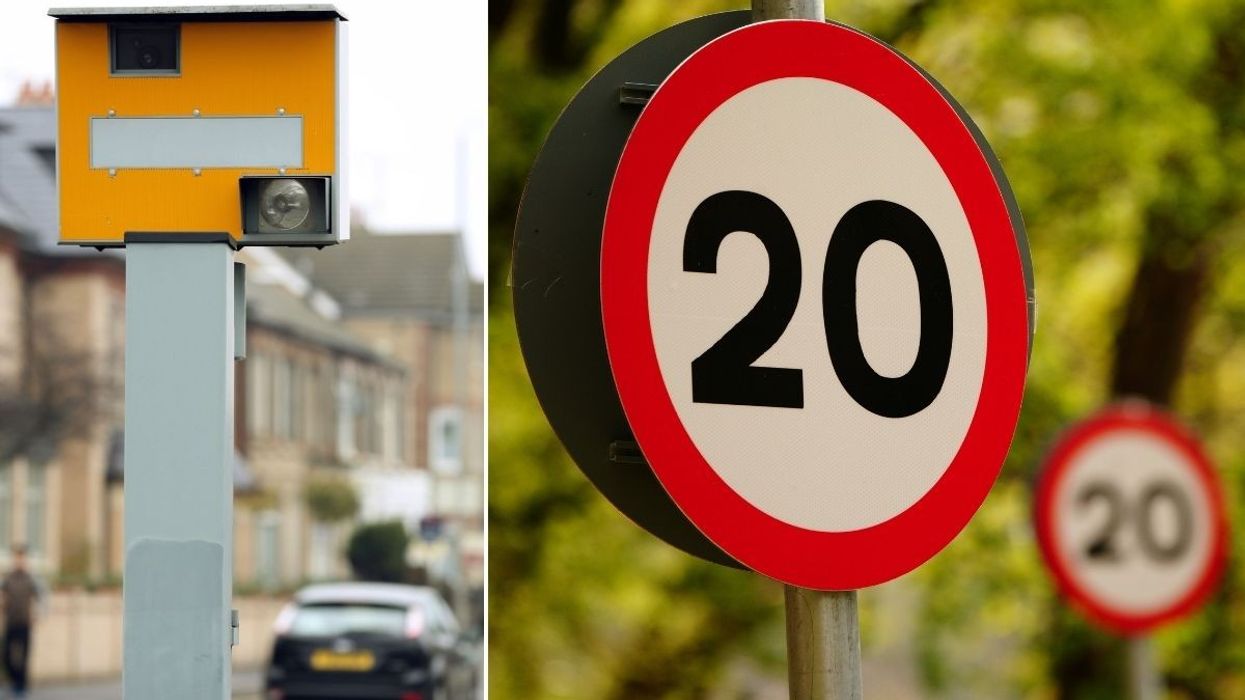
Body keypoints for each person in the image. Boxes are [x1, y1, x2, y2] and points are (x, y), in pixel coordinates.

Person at [1, 545, 39, 699]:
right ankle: (14, 681)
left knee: (24, 656)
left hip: (24, 622)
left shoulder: (30, 579)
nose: (19, 561)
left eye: (21, 558)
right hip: (11, 622)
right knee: (6, 655)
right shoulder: (8, 578)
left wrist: (37, 615)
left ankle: (21, 686)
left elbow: (41, 598)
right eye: (16, 558)